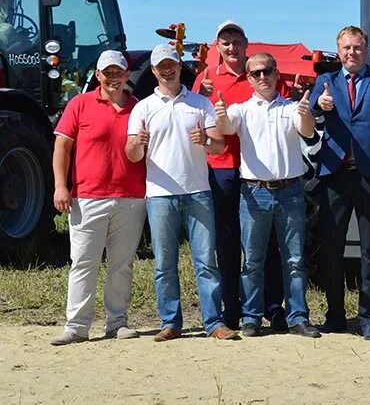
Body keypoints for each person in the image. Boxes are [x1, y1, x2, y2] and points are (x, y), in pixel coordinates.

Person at [126, 43, 238, 341]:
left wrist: (205, 139)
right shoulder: (143, 108)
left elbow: (219, 145)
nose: (167, 69)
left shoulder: (201, 104)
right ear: (153, 70)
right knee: (164, 263)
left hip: (198, 191)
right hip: (160, 194)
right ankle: (170, 322)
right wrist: (137, 142)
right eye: (161, 65)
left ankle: (214, 323)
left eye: (171, 63)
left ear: (179, 66)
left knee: (206, 261)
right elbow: (132, 154)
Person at [308, 25, 370, 340]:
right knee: (332, 249)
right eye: (347, 48)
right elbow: (311, 106)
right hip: (335, 175)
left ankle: (368, 319)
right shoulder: (326, 81)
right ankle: (335, 316)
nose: (352, 53)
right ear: (338, 51)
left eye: (358, 48)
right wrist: (319, 105)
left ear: (367, 51)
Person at [215, 52, 320, 338]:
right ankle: (251, 318)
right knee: (252, 260)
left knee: (295, 259)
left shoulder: (291, 108)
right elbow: (226, 129)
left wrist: (305, 112)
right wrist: (221, 115)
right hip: (254, 192)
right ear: (249, 79)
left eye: (267, 71)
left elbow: (308, 132)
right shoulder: (242, 109)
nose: (263, 77)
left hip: (291, 192)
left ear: (276, 74)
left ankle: (298, 316)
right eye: (256, 73)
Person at [192, 20, 287, 332]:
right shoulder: (205, 81)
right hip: (221, 168)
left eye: (236, 42)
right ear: (217, 48)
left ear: (247, 44)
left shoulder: (260, 75)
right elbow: (193, 121)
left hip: (258, 171)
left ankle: (273, 308)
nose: (232, 48)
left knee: (265, 243)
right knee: (228, 243)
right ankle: (232, 309)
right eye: (225, 43)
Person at [50, 50, 147, 345]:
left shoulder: (139, 108)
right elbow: (62, 148)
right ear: (98, 75)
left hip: (131, 196)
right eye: (108, 72)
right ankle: (77, 326)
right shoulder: (79, 104)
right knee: (83, 262)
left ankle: (117, 322)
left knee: (122, 263)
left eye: (119, 72)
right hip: (88, 195)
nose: (114, 77)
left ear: (127, 74)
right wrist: (60, 186)